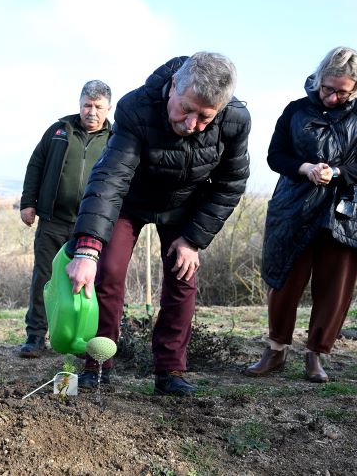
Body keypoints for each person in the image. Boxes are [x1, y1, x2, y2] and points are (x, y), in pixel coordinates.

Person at [66, 52, 251, 396]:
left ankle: (170, 371)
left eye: (204, 117)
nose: (191, 124)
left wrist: (193, 239)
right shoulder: (136, 107)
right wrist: (88, 249)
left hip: (185, 205)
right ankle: (97, 365)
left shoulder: (236, 120)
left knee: (183, 277)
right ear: (172, 89)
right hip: (130, 200)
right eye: (186, 109)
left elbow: (231, 183)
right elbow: (111, 176)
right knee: (107, 271)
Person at [246, 46, 357, 383]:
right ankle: (276, 350)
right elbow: (275, 155)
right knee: (284, 279)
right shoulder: (295, 110)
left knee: (335, 286)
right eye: (328, 88)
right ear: (318, 78)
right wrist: (305, 167)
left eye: (342, 91)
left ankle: (316, 355)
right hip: (294, 205)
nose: (333, 97)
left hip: (345, 211)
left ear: (356, 88)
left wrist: (337, 173)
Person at [18, 80, 113, 357]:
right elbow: (36, 164)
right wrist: (28, 202)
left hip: (93, 226)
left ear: (108, 108)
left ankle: (84, 339)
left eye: (98, 107)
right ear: (79, 104)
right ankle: (36, 336)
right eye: (86, 105)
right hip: (53, 220)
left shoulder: (116, 138)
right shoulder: (60, 131)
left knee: (91, 283)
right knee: (45, 278)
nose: (91, 112)